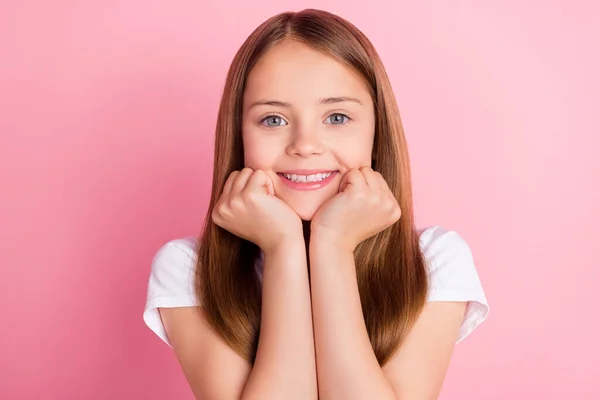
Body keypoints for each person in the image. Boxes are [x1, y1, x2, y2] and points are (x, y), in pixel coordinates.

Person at [143, 8, 489, 400]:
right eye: (273, 120)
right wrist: (282, 248)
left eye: (337, 117)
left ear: (377, 134)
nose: (305, 145)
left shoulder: (432, 260)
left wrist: (332, 247)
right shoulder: (190, 270)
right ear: (239, 137)